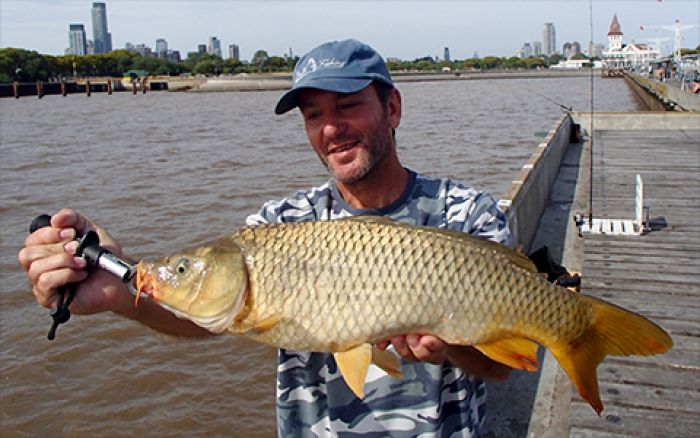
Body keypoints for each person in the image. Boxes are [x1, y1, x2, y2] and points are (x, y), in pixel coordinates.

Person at [19, 39, 513, 437]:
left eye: (348, 106)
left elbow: (501, 367)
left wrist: (450, 346)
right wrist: (121, 295)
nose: (332, 128)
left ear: (392, 109)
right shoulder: (279, 223)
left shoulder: (467, 213)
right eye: (314, 115)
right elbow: (213, 316)